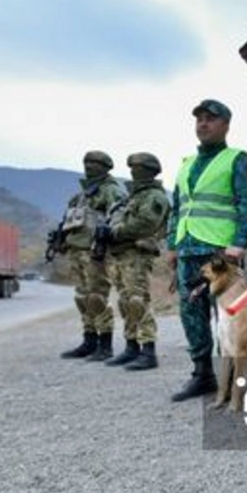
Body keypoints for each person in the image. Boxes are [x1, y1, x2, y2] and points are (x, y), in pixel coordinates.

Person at [166, 99, 247, 402]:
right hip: (188, 249)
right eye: (199, 119)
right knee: (191, 314)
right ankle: (202, 374)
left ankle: (233, 377)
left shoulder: (238, 160)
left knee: (228, 319)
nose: (203, 124)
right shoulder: (185, 165)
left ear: (226, 125)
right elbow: (177, 208)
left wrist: (240, 243)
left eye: (210, 119)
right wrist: (171, 245)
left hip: (222, 253)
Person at [96, 152, 171, 370]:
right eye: (132, 168)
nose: (133, 172)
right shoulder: (133, 197)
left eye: (136, 168)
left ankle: (148, 350)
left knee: (138, 300)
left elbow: (145, 224)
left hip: (138, 254)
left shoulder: (154, 196)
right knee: (126, 301)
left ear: (147, 170)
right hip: (122, 254)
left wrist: (114, 232)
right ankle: (131, 346)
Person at [58, 150, 127, 360]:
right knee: (82, 296)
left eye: (94, 163)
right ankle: (89, 340)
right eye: (86, 162)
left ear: (105, 166)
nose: (88, 166)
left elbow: (118, 216)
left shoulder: (111, 190)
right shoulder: (81, 196)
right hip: (77, 250)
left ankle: (105, 345)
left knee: (97, 296)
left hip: (95, 251)